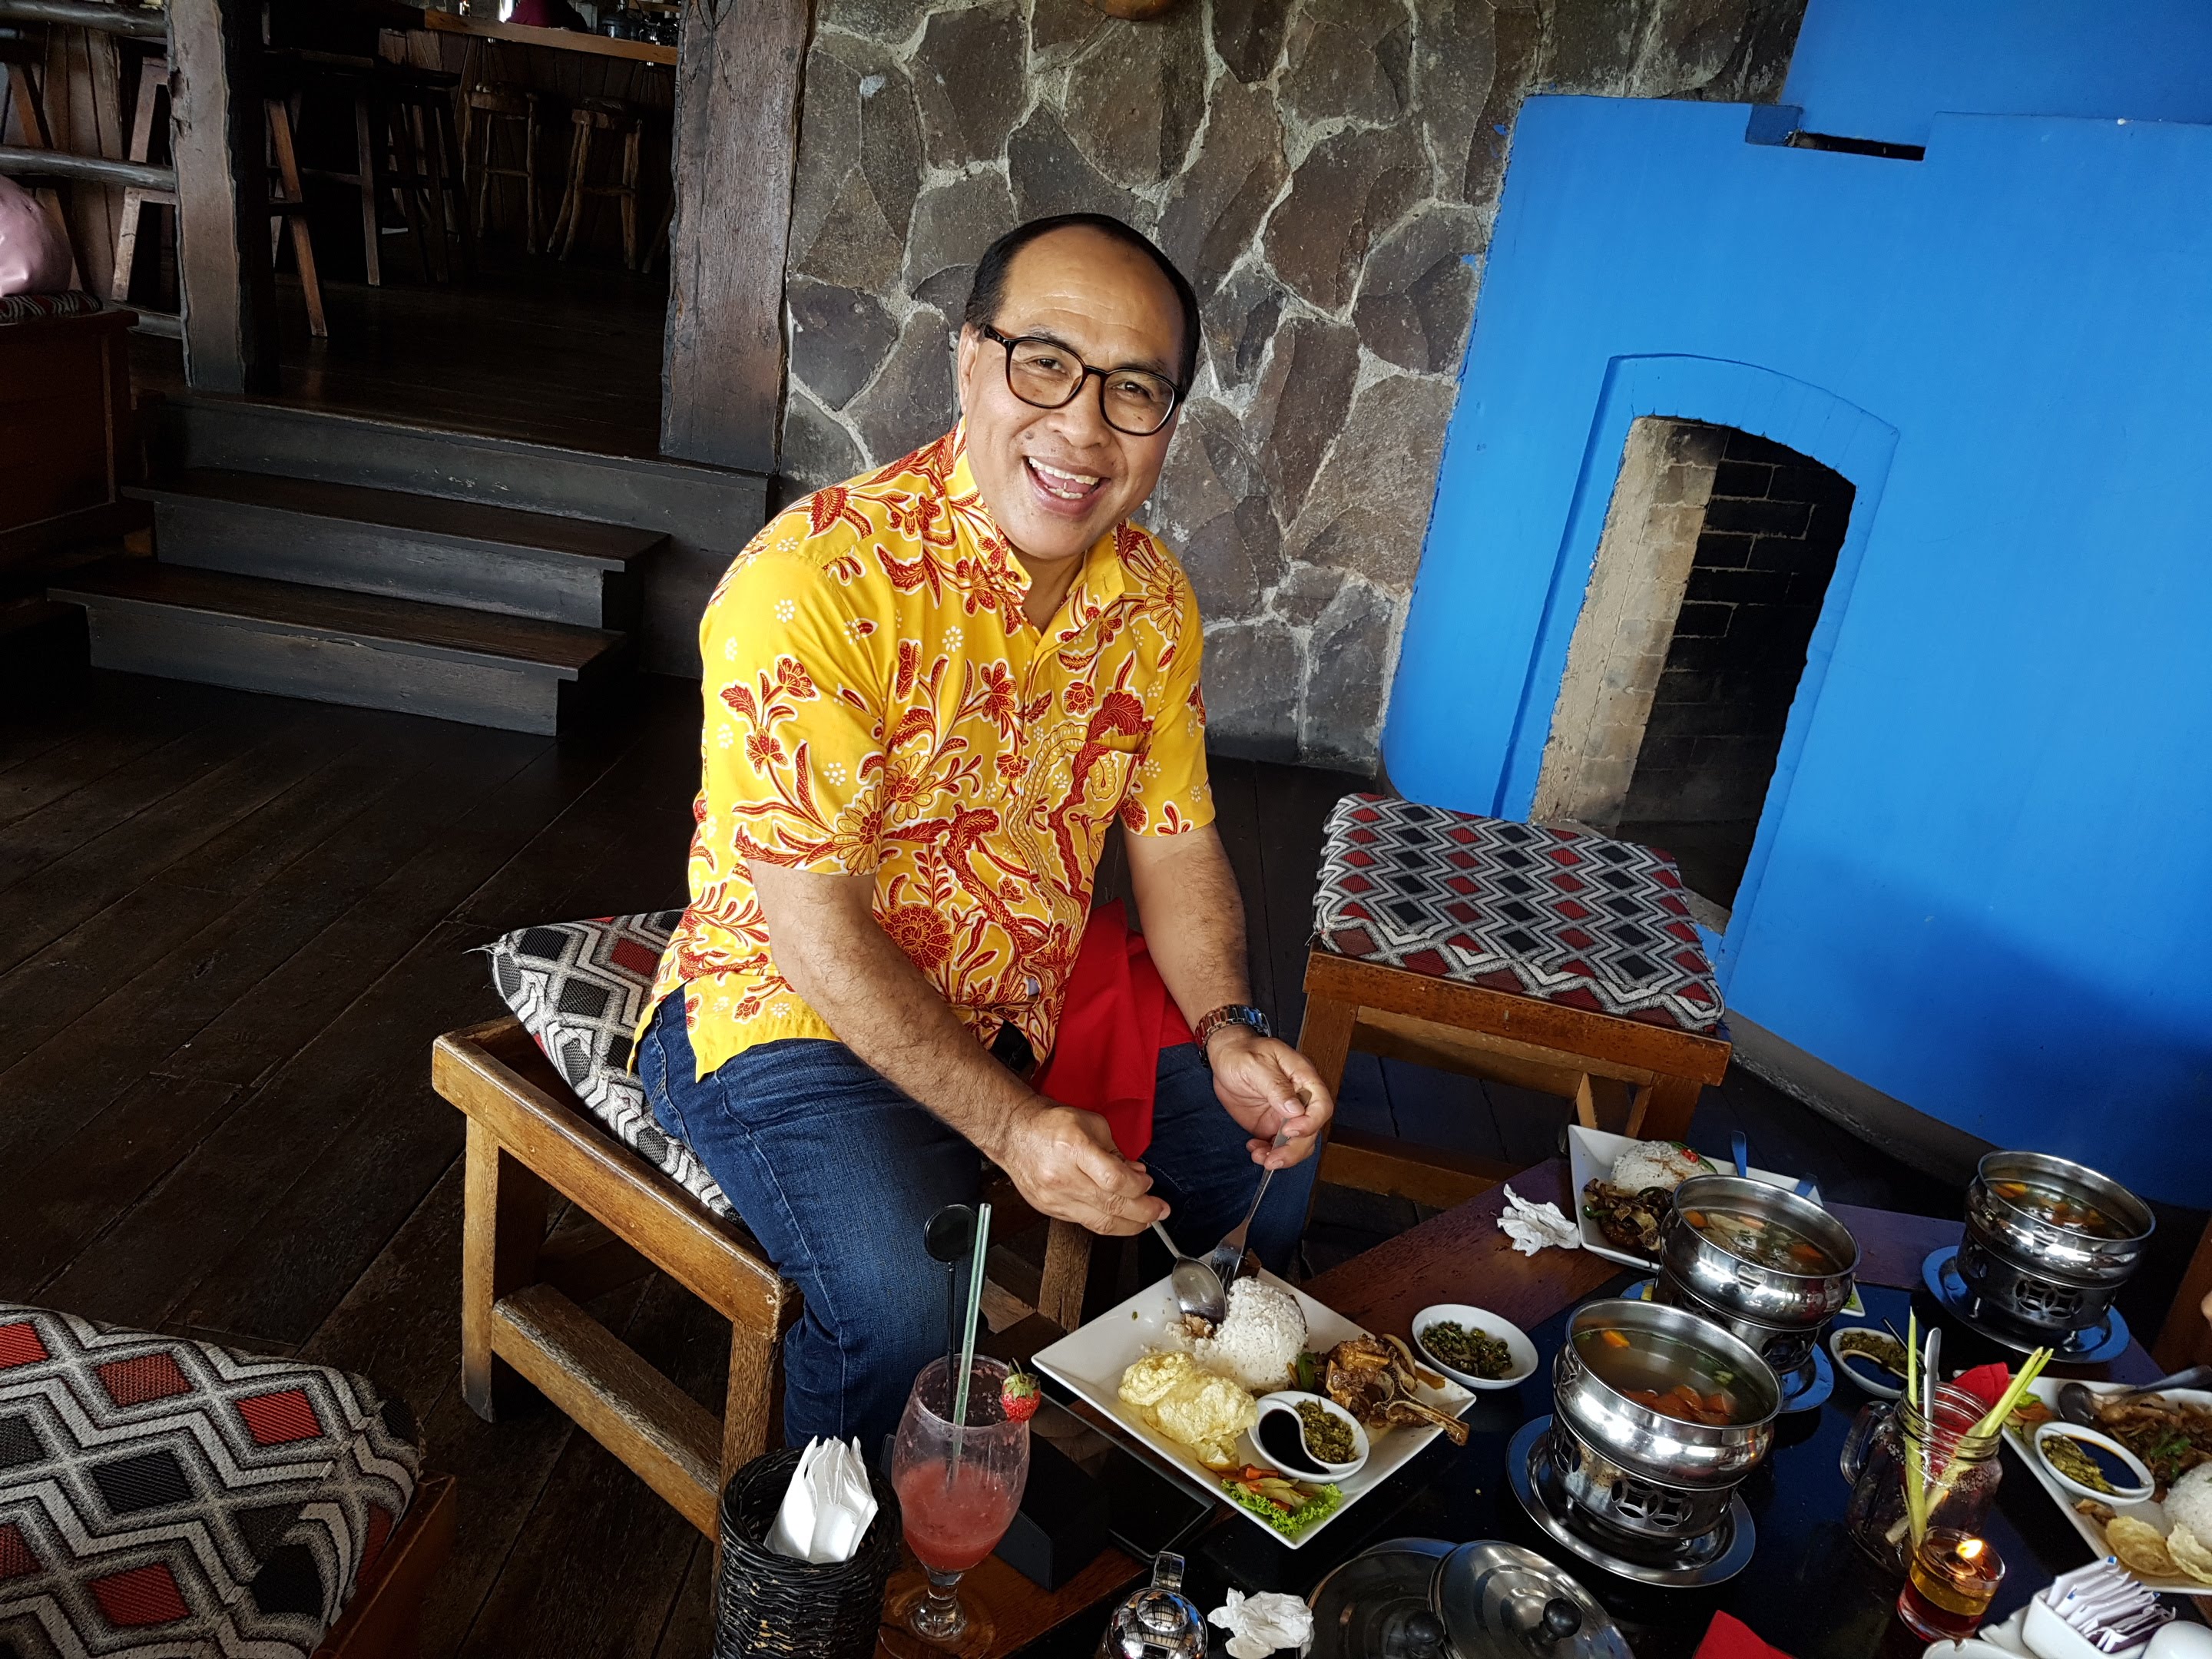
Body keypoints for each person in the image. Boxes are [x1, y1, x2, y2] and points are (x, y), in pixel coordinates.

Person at [636, 213, 1336, 1448]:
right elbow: (814, 931)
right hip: (787, 1008)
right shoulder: (815, 580)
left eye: (1135, 390)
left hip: (1017, 1000)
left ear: (1169, 422)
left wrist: (1230, 1026)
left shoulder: (1153, 601)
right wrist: (1012, 1130)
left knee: (1261, 1158)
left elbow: (1176, 841)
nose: (1083, 427)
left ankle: (1161, 1450)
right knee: (910, 1309)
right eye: (1045, 363)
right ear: (968, 360)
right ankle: (818, 1567)